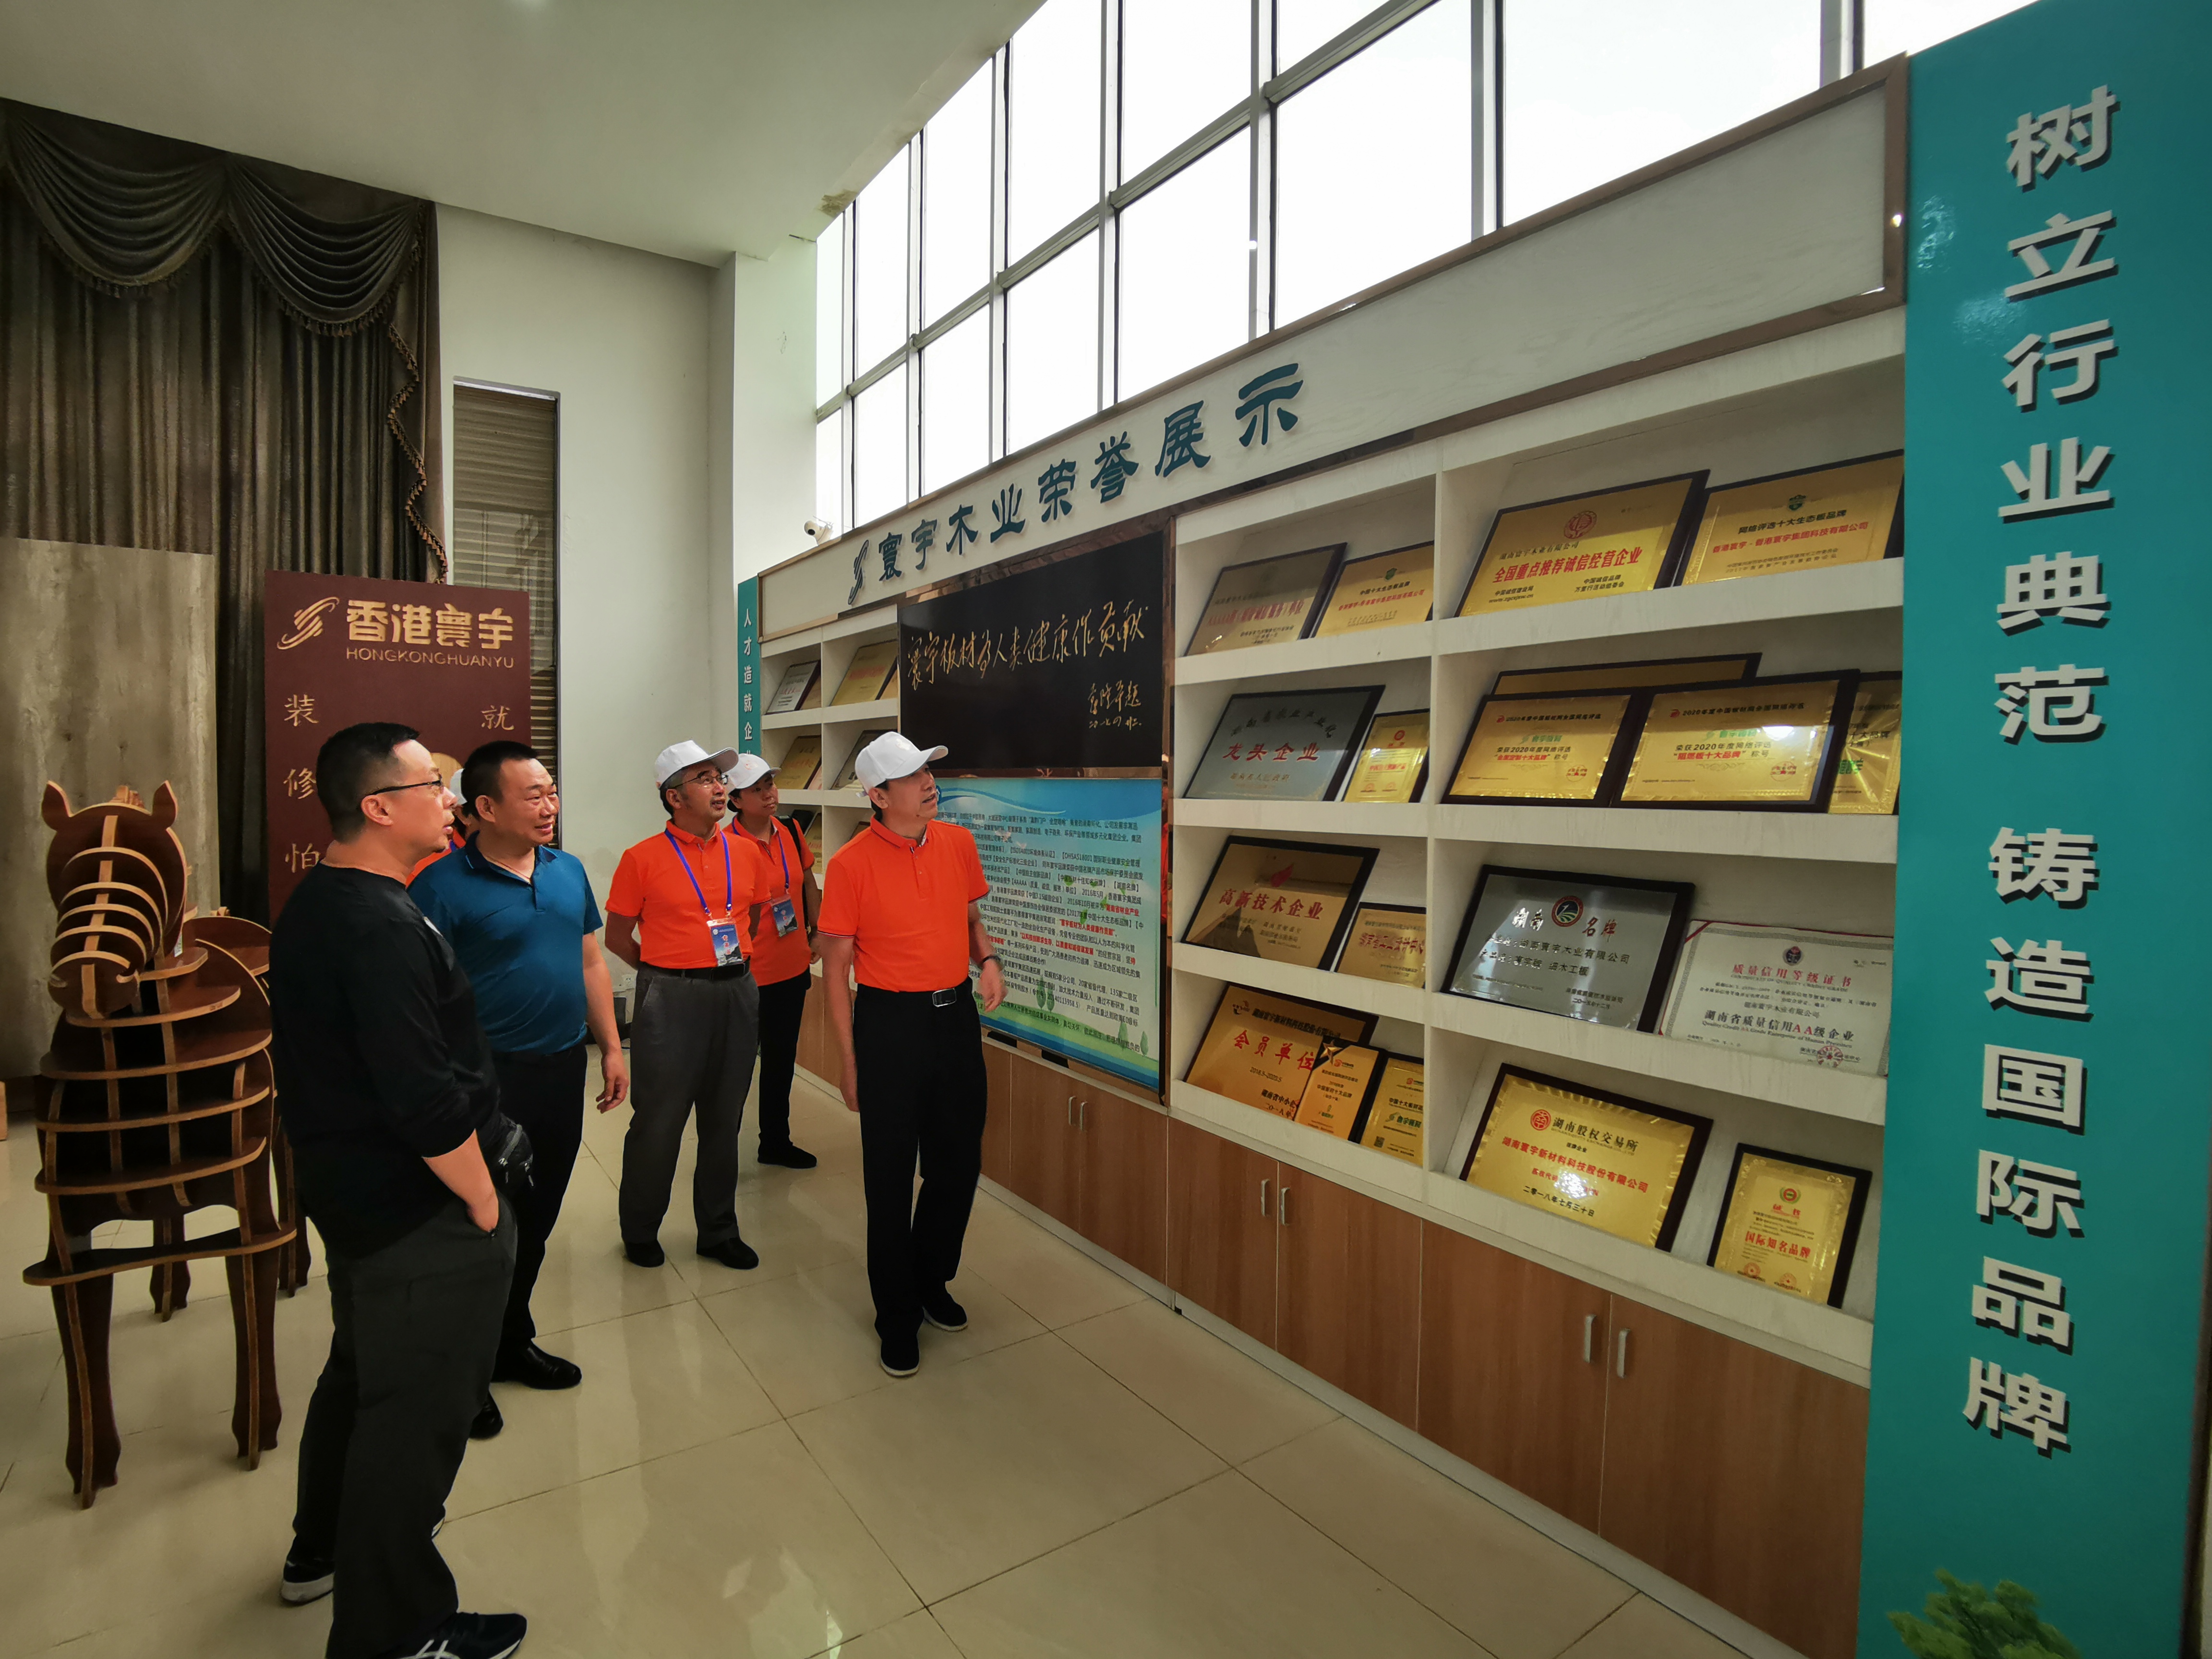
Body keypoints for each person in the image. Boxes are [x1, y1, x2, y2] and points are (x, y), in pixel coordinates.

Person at [268, 721, 526, 1659]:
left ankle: (320, 1551)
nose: (449, 800)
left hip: (362, 1205)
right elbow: (420, 1099)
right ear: (379, 806)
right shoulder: (374, 925)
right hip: (417, 1218)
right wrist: (485, 1203)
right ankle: (397, 1631)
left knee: (362, 1379)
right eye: (433, 786)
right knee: (411, 1423)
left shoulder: (335, 901)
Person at [412, 740, 630, 1441]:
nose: (549, 805)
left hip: (560, 1070)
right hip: (484, 1081)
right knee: (480, 1230)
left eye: (552, 792)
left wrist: (611, 1046)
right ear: (483, 808)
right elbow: (420, 1001)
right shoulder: (439, 889)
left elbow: (590, 960)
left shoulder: (567, 871)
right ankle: (463, 1372)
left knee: (535, 1219)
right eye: (533, 795)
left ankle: (510, 1342)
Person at [816, 732, 1005, 1379]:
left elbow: (970, 918)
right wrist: (849, 1063)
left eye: (928, 771)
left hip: (955, 1020)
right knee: (891, 1176)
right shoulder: (851, 865)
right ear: (878, 796)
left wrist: (988, 959)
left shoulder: (957, 843)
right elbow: (835, 973)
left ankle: (931, 1278)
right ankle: (895, 1312)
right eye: (912, 776)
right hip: (889, 1025)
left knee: (958, 1164)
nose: (929, 783)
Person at [603, 740, 766, 1270]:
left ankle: (718, 1231)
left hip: (737, 991)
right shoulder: (642, 858)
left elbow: (751, 918)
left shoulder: (746, 852)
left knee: (725, 1119)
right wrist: (664, 971)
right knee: (659, 1120)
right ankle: (640, 1229)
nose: (720, 788)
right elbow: (617, 937)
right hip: (670, 997)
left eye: (721, 778)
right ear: (674, 797)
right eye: (705, 779)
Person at [724, 753, 819, 1169]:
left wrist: (817, 930)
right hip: (747, 974)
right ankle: (722, 1151)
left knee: (780, 1062)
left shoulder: (791, 830)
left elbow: (807, 881)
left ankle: (775, 1142)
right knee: (738, 1068)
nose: (769, 794)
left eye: (770, 785)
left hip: (792, 967)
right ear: (736, 800)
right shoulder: (726, 845)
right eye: (757, 789)